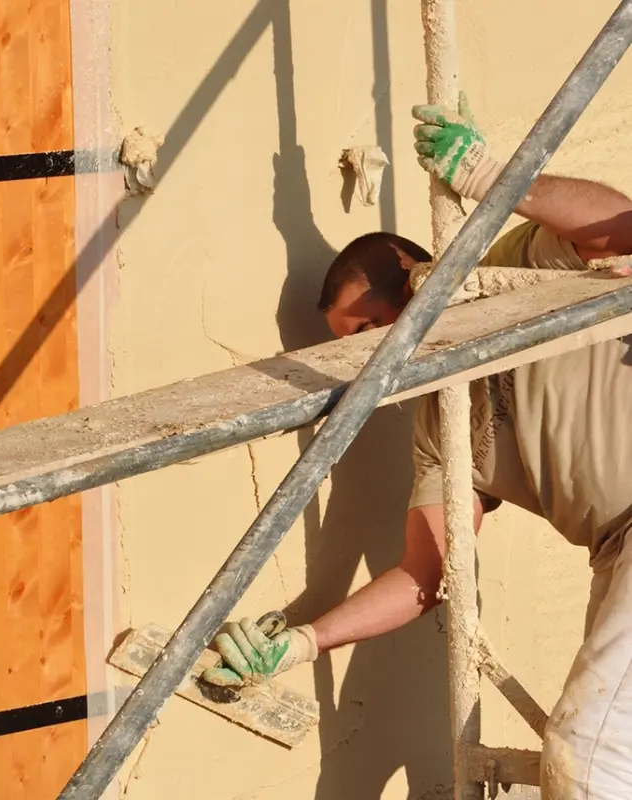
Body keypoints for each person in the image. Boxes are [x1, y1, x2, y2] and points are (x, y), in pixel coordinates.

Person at [201, 95, 632, 798]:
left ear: (412, 271)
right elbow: (426, 574)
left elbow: (616, 225)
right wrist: (302, 643)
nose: (369, 357)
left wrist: (491, 176)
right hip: (616, 555)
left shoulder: (512, 270)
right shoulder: (442, 425)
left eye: (366, 328)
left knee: (588, 758)